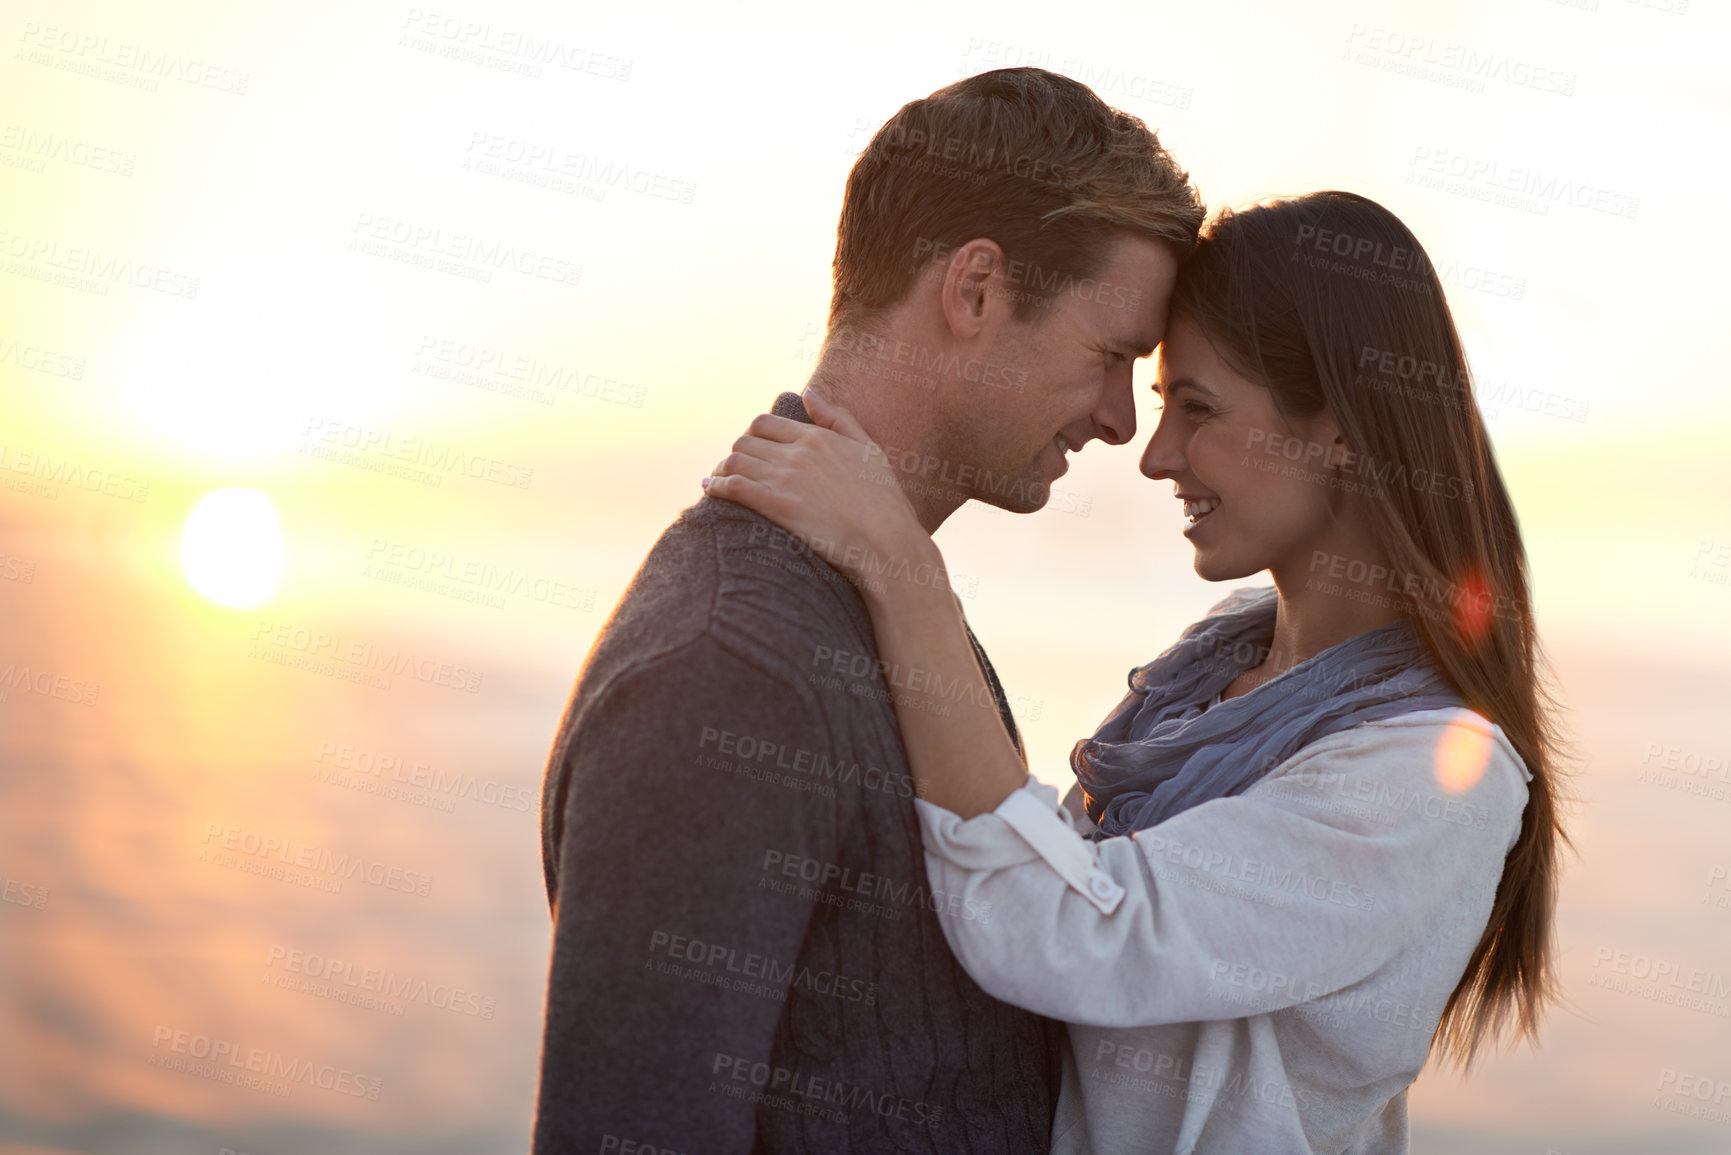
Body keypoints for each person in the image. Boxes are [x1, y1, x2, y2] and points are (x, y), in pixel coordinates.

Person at [702, 190, 1568, 1153]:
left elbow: (1066, 930)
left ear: (1338, 426)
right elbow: (1057, 868)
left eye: (1196, 410)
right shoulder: (1220, 658)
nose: (1155, 456)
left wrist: (902, 570)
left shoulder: (1433, 775)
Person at [531, 67, 1204, 1153]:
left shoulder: (888, 601)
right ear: (975, 290)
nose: (1122, 423)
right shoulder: (729, 667)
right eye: (1111, 356)